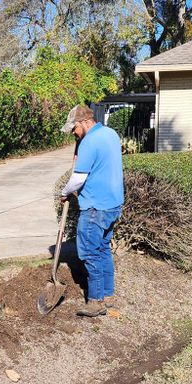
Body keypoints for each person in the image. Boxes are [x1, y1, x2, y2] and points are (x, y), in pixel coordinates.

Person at [59, 105, 124, 317]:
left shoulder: (89, 142)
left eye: (74, 128)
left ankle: (95, 302)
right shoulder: (110, 133)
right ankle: (108, 295)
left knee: (89, 252)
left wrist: (64, 192)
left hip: (95, 206)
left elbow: (78, 178)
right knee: (103, 249)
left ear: (84, 122)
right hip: (113, 204)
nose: (73, 133)